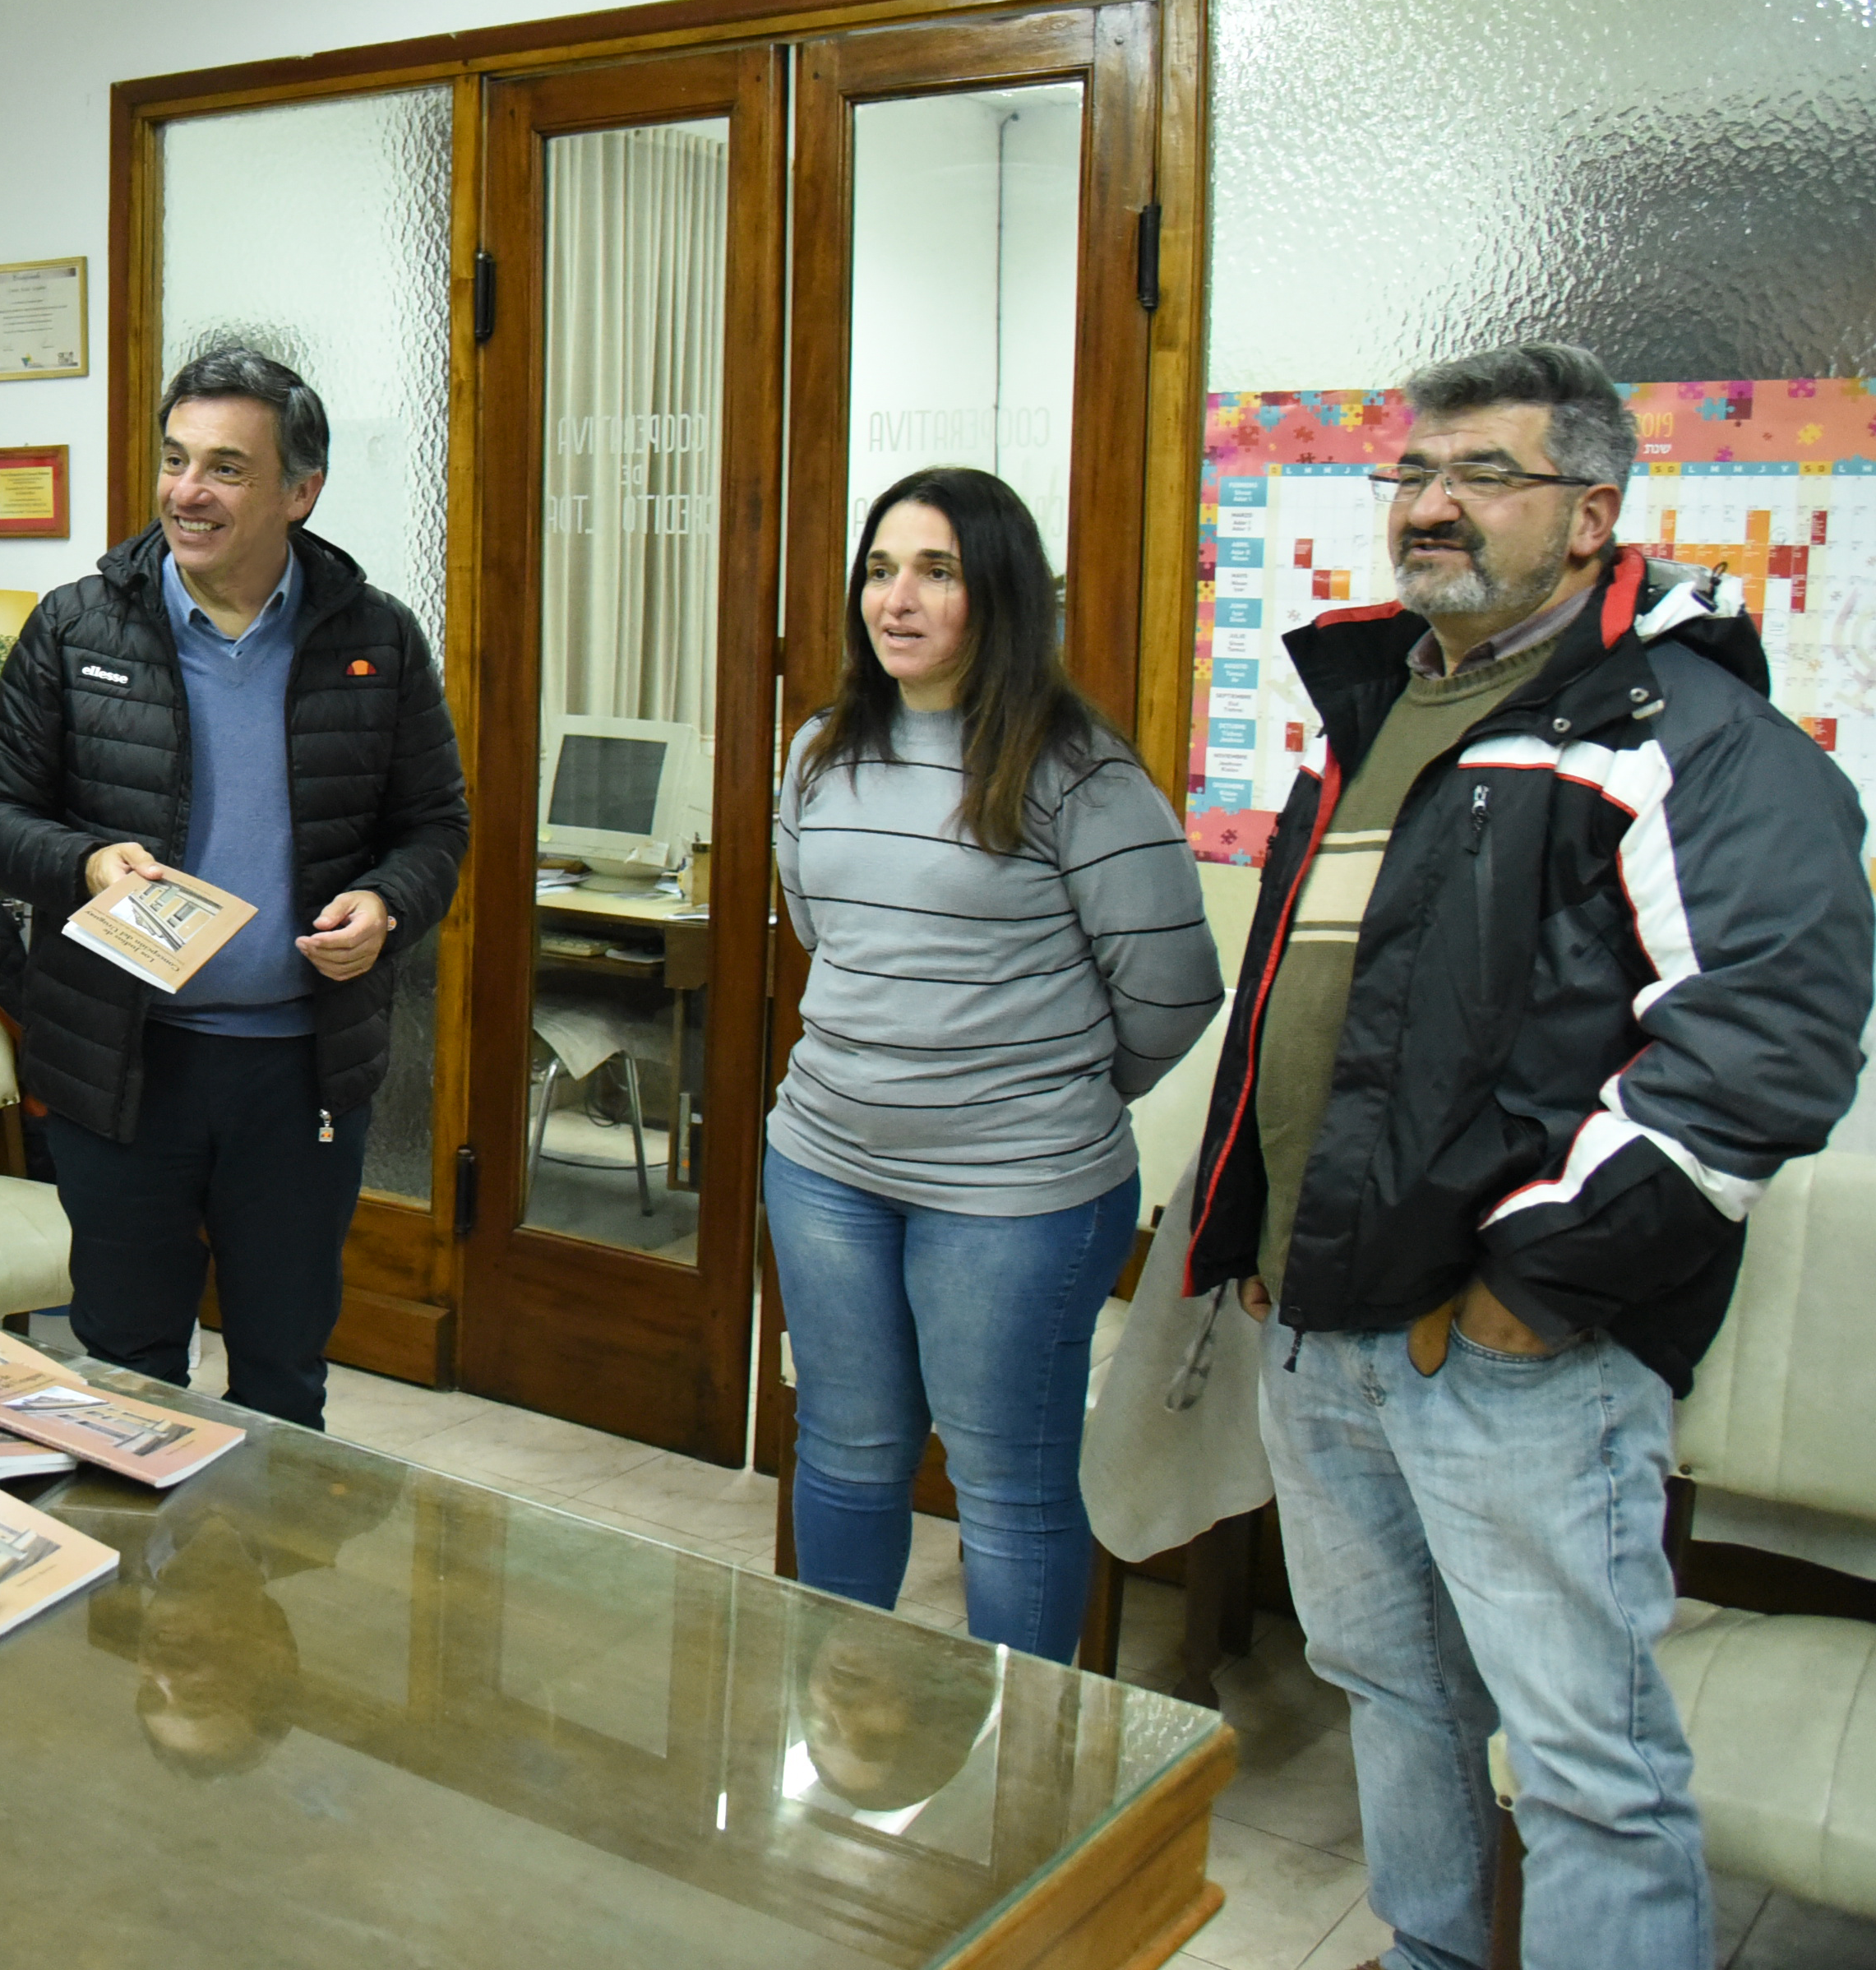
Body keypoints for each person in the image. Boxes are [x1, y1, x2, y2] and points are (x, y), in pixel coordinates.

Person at [1184, 343, 1869, 1970]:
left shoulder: (1682, 728)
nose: (1431, 503)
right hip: (1326, 1323)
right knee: (1397, 1694)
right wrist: (1261, 1241)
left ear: (1589, 513)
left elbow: (1764, 1040)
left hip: (1511, 1359)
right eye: (1413, 473)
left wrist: (1532, 1286)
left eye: (1482, 474)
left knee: (1585, 1766)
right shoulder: (1376, 711)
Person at [0, 345, 469, 1431]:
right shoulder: (79, 625)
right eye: (176, 460)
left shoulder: (373, 639)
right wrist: (88, 861)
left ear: (300, 491)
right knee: (128, 1372)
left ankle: (255, 1598)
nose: (187, 493)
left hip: (300, 1072)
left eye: (226, 469)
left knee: (283, 1375)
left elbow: (433, 830)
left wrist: (387, 904)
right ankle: (137, 1600)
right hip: (126, 1065)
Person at [766, 466, 1219, 1661]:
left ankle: (1018, 1801)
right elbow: (832, 937)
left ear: (1000, 596)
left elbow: (1174, 989)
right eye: (879, 569)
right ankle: (838, 1735)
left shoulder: (1080, 772)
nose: (896, 599)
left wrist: (1041, 1092)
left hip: (1017, 1191)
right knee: (848, 1452)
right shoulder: (819, 750)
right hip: (826, 1166)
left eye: (937, 572)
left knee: (1005, 1488)